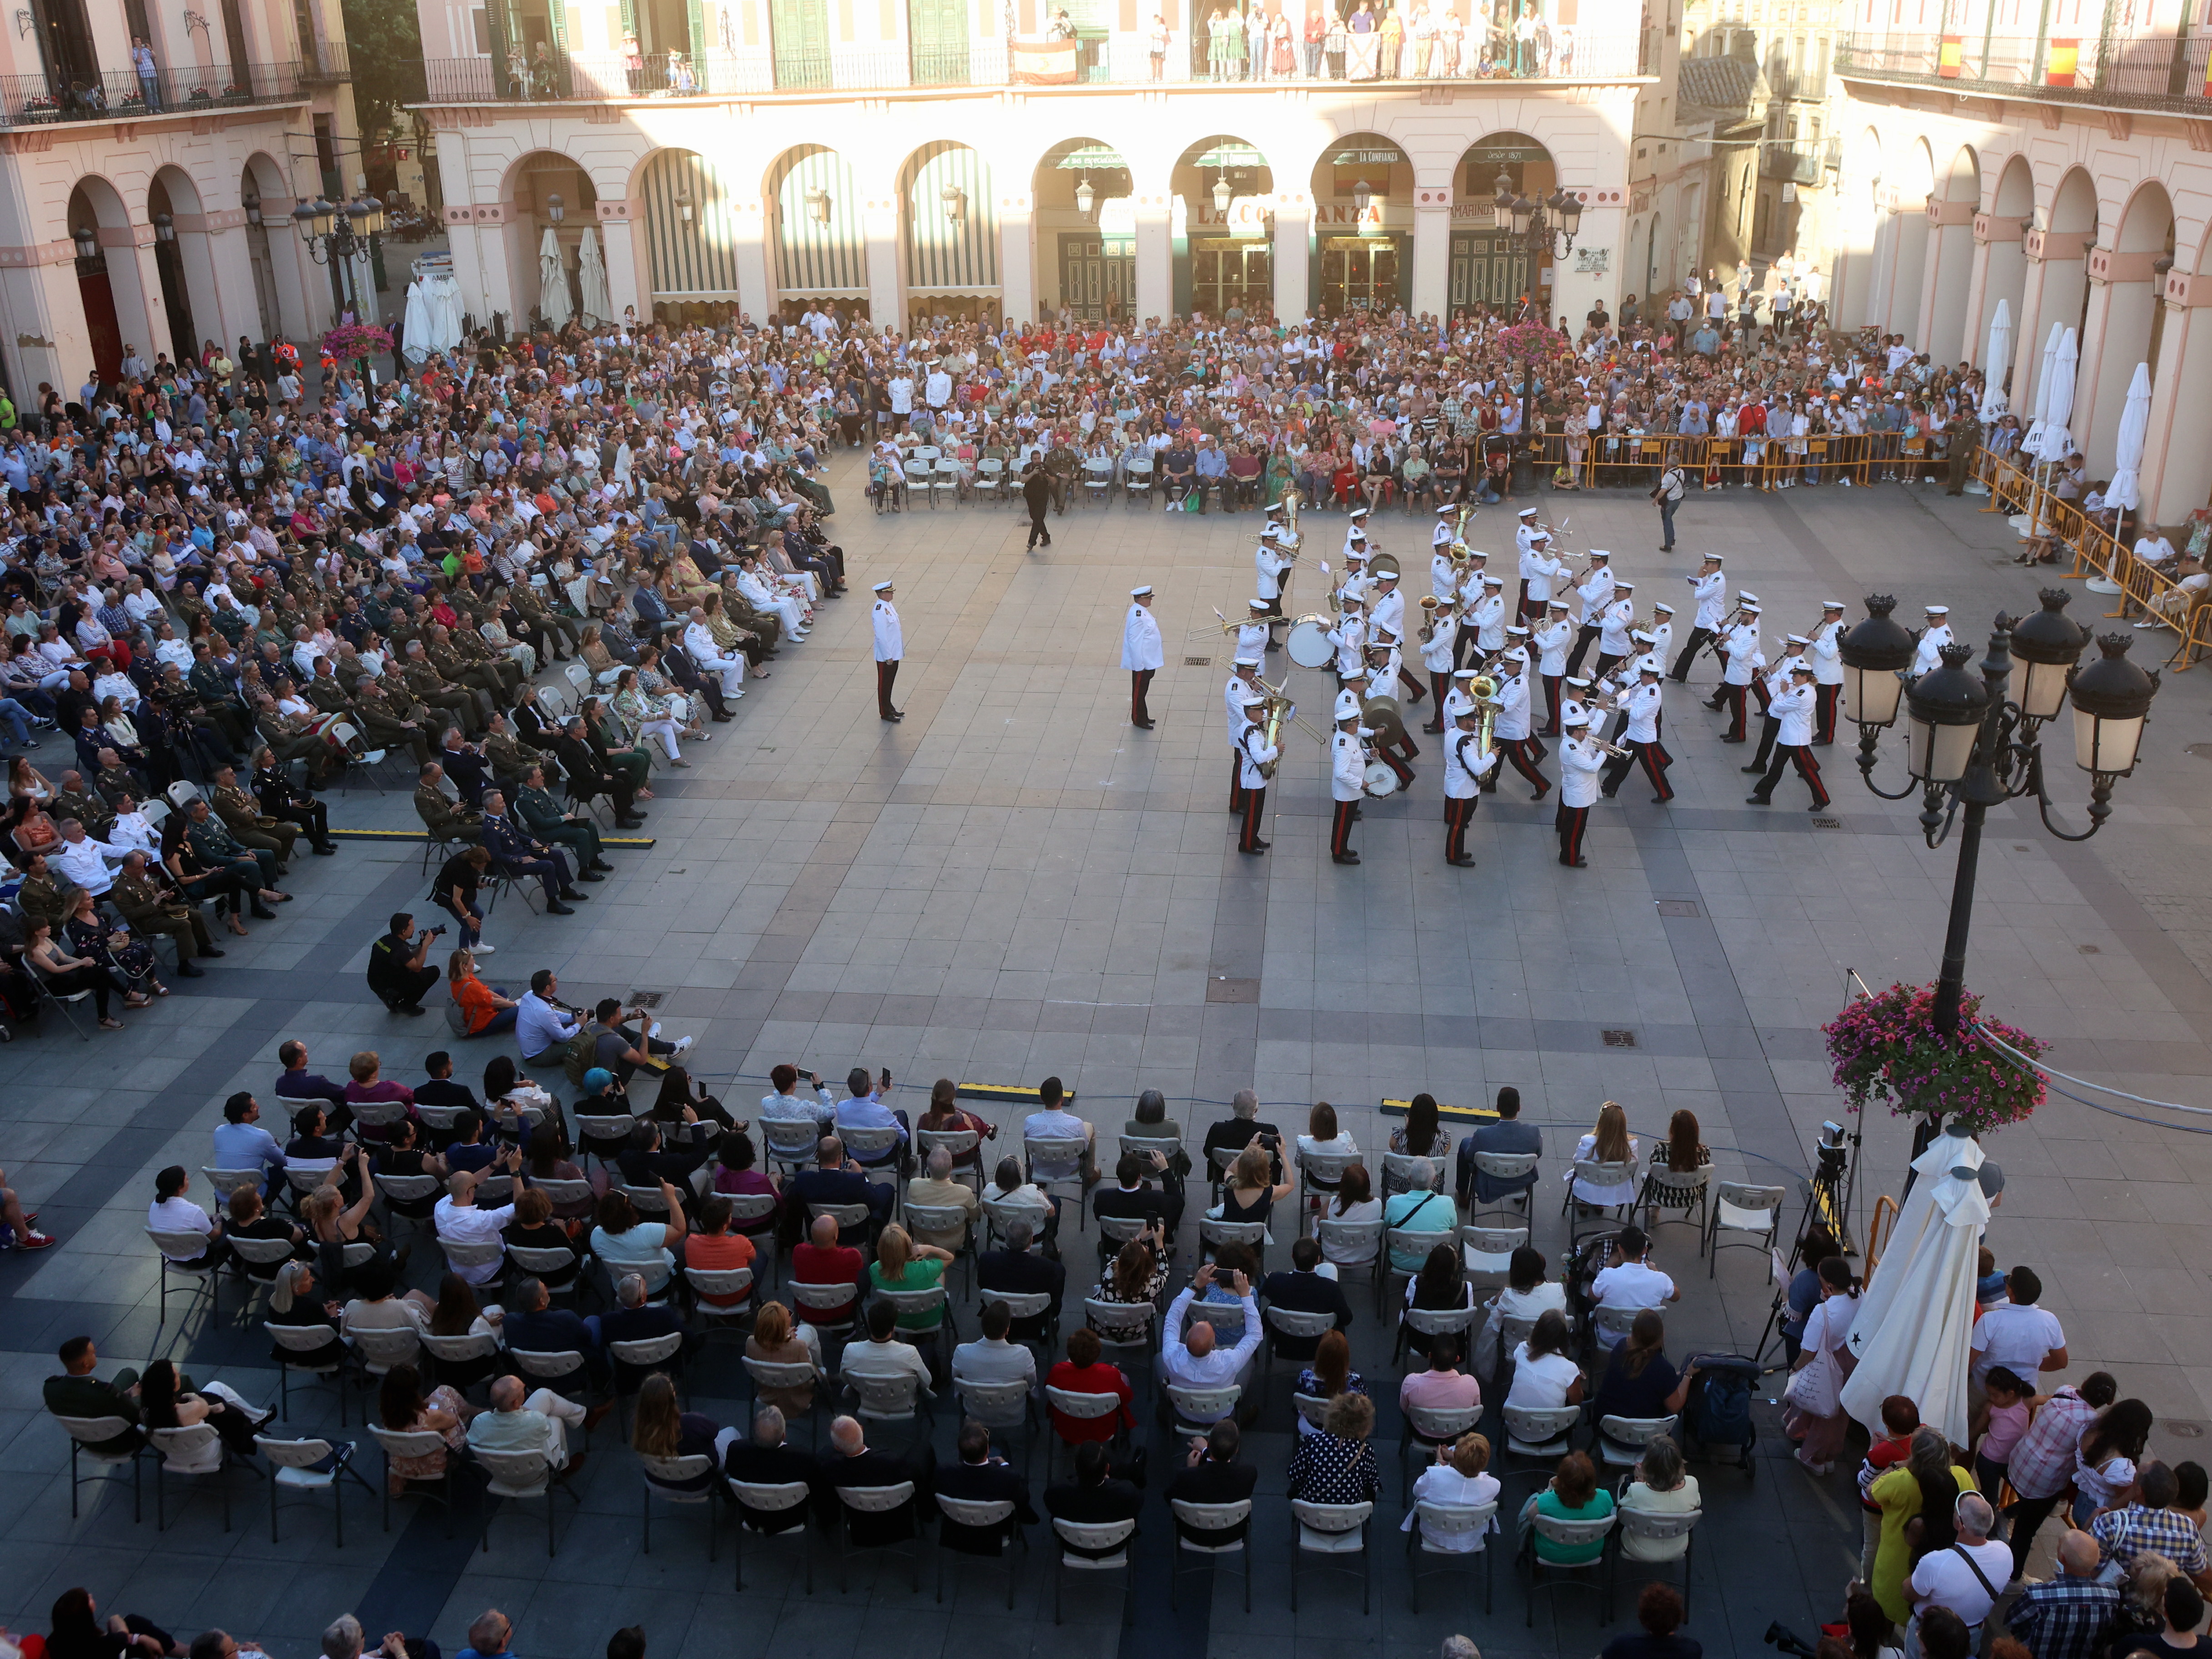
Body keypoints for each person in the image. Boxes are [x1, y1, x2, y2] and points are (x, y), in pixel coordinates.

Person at [2005, 1372, 2119, 1577]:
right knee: (2025, 1532)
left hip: (2019, 1462)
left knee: (2034, 1504)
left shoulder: (2064, 1391)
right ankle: (2013, 1578)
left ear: (2083, 1384)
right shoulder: (2092, 1423)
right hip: (2042, 1483)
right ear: (2109, 1402)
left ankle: (2004, 1515)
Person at [1869, 1427, 1981, 1626]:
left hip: (1896, 1566)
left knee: (1884, 1619)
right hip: (1941, 1572)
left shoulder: (1900, 1480)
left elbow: (1871, 1491)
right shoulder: (1961, 1475)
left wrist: (1895, 1465)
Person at [1906, 1491, 2011, 1651]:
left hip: (1930, 1635)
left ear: (1959, 1524)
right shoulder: (2005, 1552)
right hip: (1972, 1634)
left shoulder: (1935, 1562)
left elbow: (1908, 1593)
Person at [1783, 1255, 1861, 1473]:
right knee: (1839, 1412)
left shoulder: (1823, 1312)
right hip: (1851, 1360)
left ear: (1828, 1285)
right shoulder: (1859, 1295)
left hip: (1828, 1365)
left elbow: (1808, 1351)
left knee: (1825, 1415)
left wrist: (1795, 1369)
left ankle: (1815, 1457)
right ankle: (1825, 1454)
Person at [1159, 1263, 1262, 1418]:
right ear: (1214, 1345)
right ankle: (1241, 1416)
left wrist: (1194, 1286)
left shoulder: (1171, 1355)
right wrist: (1246, 1296)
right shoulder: (1229, 1361)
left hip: (1183, 1412)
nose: (1208, 1322)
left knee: (1157, 1360)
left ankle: (1165, 1413)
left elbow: (1173, 1315)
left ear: (1185, 1342)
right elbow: (1255, 1334)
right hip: (1221, 1415)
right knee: (1250, 1362)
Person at [468, 1371, 593, 1478]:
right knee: (555, 1419)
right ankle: (562, 1470)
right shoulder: (535, 1421)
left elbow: (470, 1441)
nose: (524, 1387)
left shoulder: (479, 1422)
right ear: (516, 1402)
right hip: (534, 1472)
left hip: (502, 1472)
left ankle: (586, 1416)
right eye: (522, 1389)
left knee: (543, 1394)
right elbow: (546, 1430)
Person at [1590, 1309, 1697, 1421]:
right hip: (1647, 1436)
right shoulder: (1664, 1370)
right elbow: (1676, 1406)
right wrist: (1688, 1374)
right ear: (1662, 1335)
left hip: (1605, 1427)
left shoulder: (1620, 1347)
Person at [1286, 1388, 1379, 1504]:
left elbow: (1296, 1476)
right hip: (1350, 1518)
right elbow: (1370, 1483)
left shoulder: (1313, 1441)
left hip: (1311, 1516)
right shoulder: (1366, 1450)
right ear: (1366, 1425)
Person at [1519, 1450, 1614, 1564]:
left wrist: (1548, 1490)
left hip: (1550, 1553)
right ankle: (1581, 1569)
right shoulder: (1605, 1498)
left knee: (1534, 1499)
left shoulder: (1545, 1502)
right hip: (1591, 1552)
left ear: (1561, 1481)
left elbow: (1529, 1517)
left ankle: (1536, 1566)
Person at [1459, 1084, 1540, 1207]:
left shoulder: (1483, 1134)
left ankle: (1463, 1194)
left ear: (1497, 1108)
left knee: (1465, 1143)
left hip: (1490, 1182)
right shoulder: (1533, 1132)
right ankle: (1520, 1197)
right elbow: (1538, 1154)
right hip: (1520, 1180)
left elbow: (1470, 1157)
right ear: (1519, 1108)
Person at [1503, 1308, 1584, 1409]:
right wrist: (1575, 1378)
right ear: (1563, 1337)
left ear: (1537, 1330)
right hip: (1553, 1424)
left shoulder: (1522, 1348)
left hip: (1514, 1420)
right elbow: (1577, 1401)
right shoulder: (1570, 1369)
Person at [1565, 1100, 1639, 1208]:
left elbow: (1578, 1161)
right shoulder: (1632, 1144)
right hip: (1616, 1187)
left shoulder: (1588, 1141)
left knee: (1579, 1167)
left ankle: (1583, 1203)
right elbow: (1633, 1164)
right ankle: (1599, 1204)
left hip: (1588, 1185)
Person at [367, 911, 441, 1015]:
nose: (414, 929)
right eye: (412, 928)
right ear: (403, 931)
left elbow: (407, 957)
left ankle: (392, 1000)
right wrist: (426, 946)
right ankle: (407, 1005)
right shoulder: (399, 949)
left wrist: (422, 944)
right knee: (432, 972)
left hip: (377, 984)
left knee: (406, 972)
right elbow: (417, 967)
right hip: (391, 986)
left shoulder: (385, 940)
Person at [1121, 584, 1161, 728]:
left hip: (1148, 661)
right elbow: (1135, 642)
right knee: (1139, 692)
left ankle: (1143, 715)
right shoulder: (1138, 616)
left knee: (1143, 691)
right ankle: (1139, 719)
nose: (1151, 600)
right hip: (1142, 663)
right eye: (1148, 598)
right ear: (1140, 599)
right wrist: (1139, 665)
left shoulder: (1142, 611)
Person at [871, 580, 903, 722]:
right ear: (883, 595)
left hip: (894, 653)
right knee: (884, 684)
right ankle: (885, 712)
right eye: (890, 592)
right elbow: (881, 636)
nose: (892, 593)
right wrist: (888, 656)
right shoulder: (880, 610)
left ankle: (890, 707)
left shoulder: (888, 606)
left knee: (890, 682)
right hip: (887, 656)